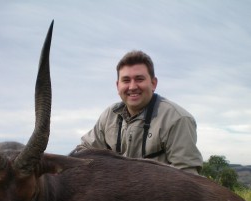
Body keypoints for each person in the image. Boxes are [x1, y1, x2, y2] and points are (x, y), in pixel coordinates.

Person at [75, 50, 203, 175]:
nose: (132, 87)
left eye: (139, 79)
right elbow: (82, 153)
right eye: (126, 80)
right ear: (117, 85)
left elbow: (187, 177)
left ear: (153, 83)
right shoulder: (109, 115)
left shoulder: (178, 119)